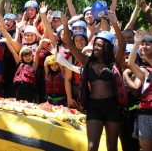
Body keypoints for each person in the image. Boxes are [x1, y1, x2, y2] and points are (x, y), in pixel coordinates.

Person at [61, 9, 126, 151]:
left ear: (107, 48)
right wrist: (66, 25)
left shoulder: (114, 63)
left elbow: (123, 46)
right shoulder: (87, 61)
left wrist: (114, 23)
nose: (95, 47)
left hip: (112, 106)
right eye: (95, 44)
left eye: (99, 45)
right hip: (93, 106)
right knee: (92, 146)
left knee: (112, 146)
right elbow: (71, 46)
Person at [127, 30, 152, 151]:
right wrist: (136, 43)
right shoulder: (143, 71)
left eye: (147, 44)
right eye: (142, 44)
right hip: (145, 113)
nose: (144, 47)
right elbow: (131, 63)